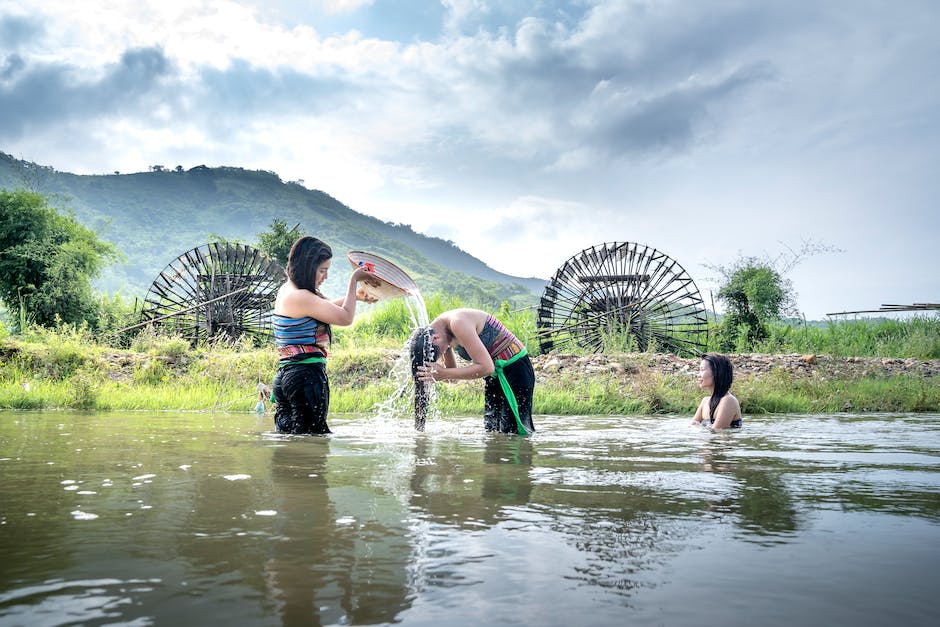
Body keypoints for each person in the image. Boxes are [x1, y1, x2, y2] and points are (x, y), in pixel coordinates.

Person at [271, 236, 377, 434]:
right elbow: (345, 318)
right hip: (305, 377)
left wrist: (355, 297)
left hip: (288, 377)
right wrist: (354, 281)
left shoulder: (288, 289)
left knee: (290, 440)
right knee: (313, 440)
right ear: (307, 267)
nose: (325, 277)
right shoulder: (301, 296)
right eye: (322, 270)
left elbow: (322, 309)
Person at [411, 308, 535, 434]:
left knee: (515, 432)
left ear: (436, 338)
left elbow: (486, 367)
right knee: (492, 430)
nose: (442, 354)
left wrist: (442, 373)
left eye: (439, 354)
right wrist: (441, 372)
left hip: (514, 370)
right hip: (495, 375)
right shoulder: (440, 333)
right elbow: (452, 379)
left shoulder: (458, 323)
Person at [691, 353, 742, 429]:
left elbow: (716, 431)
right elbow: (691, 428)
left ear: (716, 372)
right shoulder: (704, 401)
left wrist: (700, 427)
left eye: (702, 370)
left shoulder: (728, 400)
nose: (698, 375)